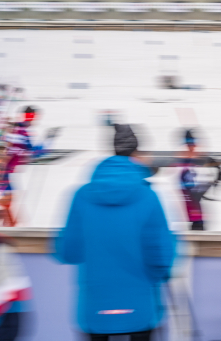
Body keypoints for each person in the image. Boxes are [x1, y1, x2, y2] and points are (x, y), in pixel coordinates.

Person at [53, 124, 176, 341]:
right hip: (140, 302)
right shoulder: (148, 197)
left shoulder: (81, 196)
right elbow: (161, 254)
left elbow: (67, 252)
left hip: (95, 305)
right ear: (137, 154)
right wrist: (161, 274)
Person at [0, 106, 54, 227]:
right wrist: (49, 140)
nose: (34, 120)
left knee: (9, 203)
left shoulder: (19, 131)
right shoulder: (19, 131)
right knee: (8, 202)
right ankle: (12, 227)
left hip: (6, 171)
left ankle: (11, 227)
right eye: (32, 117)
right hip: (4, 171)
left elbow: (32, 151)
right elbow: (35, 152)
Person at [179, 129, 221, 231]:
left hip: (195, 208)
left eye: (192, 144)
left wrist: (210, 186)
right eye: (189, 144)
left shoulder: (199, 159)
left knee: (197, 222)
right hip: (192, 206)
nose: (191, 147)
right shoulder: (186, 162)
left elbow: (219, 171)